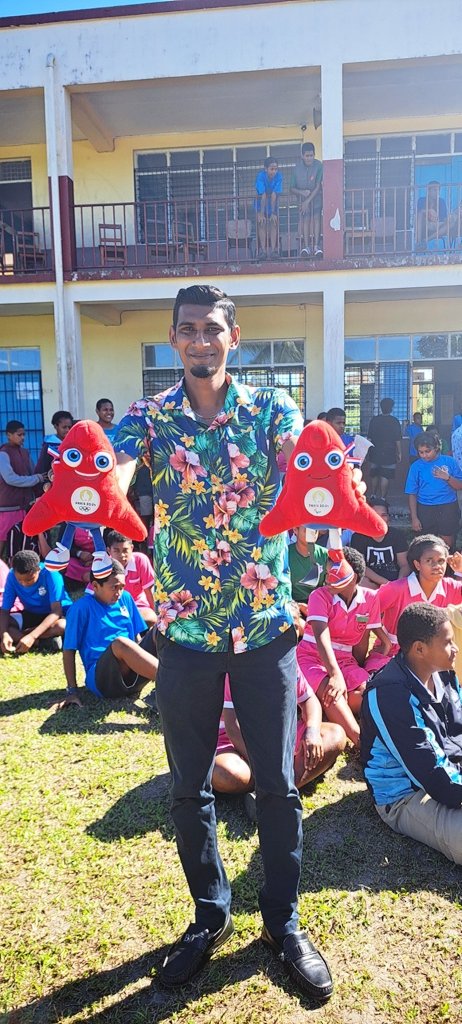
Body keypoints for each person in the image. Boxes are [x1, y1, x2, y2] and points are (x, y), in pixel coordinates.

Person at [113, 283, 334, 1001]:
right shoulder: (150, 417)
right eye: (187, 331)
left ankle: (282, 922)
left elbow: (305, 465)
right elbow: (112, 472)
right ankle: (210, 917)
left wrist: (332, 487)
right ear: (173, 341)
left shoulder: (271, 409)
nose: (200, 341)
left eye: (212, 329)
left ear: (233, 337)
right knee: (188, 786)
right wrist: (101, 490)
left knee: (278, 782)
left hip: (266, 625)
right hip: (185, 632)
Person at [361, 603, 462, 865]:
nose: (456, 649)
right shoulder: (390, 694)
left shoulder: (444, 674)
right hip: (405, 794)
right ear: (420, 649)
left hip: (448, 776)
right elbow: (433, 776)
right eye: (448, 642)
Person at [296, 546, 391, 746]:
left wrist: (358, 671)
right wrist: (335, 675)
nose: (329, 578)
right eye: (327, 571)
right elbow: (321, 635)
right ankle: (362, 742)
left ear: (354, 576)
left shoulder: (370, 598)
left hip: (345, 661)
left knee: (367, 692)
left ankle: (324, 706)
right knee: (332, 692)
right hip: (311, 657)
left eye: (335, 572)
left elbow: (363, 637)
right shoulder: (319, 596)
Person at [213, 670, 346, 806]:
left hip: (277, 734)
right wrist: (264, 765)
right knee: (226, 774)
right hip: (233, 742)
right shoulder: (235, 665)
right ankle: (280, 786)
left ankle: (276, 794)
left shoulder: (284, 658)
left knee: (335, 735)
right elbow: (233, 728)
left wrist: (312, 731)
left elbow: (308, 699)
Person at [61, 558, 158, 705]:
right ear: (95, 586)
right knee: (120, 643)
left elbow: (137, 637)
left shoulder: (126, 598)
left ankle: (167, 684)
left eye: (122, 587)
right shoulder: (80, 608)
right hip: (104, 681)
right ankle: (175, 683)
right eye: (114, 587)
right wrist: (72, 691)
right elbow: (69, 650)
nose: (119, 592)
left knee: (160, 630)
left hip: (133, 675)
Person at [364, 534, 462, 675]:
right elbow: (365, 611)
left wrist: (460, 570)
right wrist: (385, 641)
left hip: (435, 657)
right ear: (417, 564)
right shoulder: (396, 588)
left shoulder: (450, 587)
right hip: (393, 654)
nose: (437, 566)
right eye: (430, 561)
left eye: (441, 561)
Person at [0, 549, 70, 656]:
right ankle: (43, 643)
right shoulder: (11, 576)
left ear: (38, 569)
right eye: (20, 580)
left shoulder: (51, 573)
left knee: (62, 626)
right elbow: (5, 610)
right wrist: (4, 634)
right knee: (3, 624)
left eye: (29, 580)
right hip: (31, 614)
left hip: (56, 616)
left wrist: (32, 635)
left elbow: (56, 611)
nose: (24, 584)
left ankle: (26, 638)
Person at [405, 430, 462, 549]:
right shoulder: (416, 466)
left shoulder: (450, 461)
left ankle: (448, 567)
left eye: (427, 451)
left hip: (447, 506)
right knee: (427, 545)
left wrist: (447, 477)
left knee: (447, 544)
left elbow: (459, 486)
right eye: (421, 452)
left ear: (436, 448)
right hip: (425, 508)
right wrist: (414, 518)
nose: (424, 455)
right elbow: (412, 493)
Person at [0, 421, 48, 560]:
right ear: (9, 435)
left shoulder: (25, 452)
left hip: (24, 507)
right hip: (7, 508)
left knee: (21, 542)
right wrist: (36, 479)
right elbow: (11, 479)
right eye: (19, 434)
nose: (23, 438)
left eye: (24, 434)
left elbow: (32, 473)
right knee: (3, 543)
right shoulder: (3, 454)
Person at [350, 498, 408, 589]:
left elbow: (404, 564)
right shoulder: (358, 537)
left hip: (394, 579)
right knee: (359, 582)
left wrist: (398, 582)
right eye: (375, 515)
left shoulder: (397, 535)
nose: (380, 519)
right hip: (371, 580)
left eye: (384, 515)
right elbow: (361, 566)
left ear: (389, 517)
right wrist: (386, 584)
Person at [101, 529, 156, 625]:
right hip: (112, 608)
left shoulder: (141, 560)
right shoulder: (103, 565)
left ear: (132, 548)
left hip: (138, 606)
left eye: (125, 550)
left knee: (150, 617)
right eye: (116, 551)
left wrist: (156, 613)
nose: (122, 555)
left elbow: (149, 590)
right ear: (109, 550)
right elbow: (93, 593)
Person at [290, 142, 323, 257]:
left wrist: (307, 201)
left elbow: (318, 185)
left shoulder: (319, 165)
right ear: (302, 156)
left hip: (316, 198)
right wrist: (302, 193)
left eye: (311, 155)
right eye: (307, 156)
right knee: (305, 220)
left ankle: (316, 246)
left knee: (316, 219)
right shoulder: (296, 168)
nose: (309, 158)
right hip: (301, 199)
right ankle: (306, 247)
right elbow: (291, 188)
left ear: (314, 155)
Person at [367, 398, 402, 500]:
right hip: (389, 451)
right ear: (391, 408)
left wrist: (367, 451)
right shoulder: (394, 421)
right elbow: (397, 439)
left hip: (374, 450)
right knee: (385, 475)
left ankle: (373, 494)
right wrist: (399, 453)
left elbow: (369, 437)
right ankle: (382, 497)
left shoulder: (374, 420)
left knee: (374, 473)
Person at [288, 526, 328, 607]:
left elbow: (329, 587)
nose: (311, 534)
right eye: (307, 530)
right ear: (295, 530)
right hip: (292, 605)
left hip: (318, 604)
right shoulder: (285, 554)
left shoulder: (325, 554)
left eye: (315, 530)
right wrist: (297, 605)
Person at [254, 156, 283, 259]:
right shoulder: (260, 176)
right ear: (265, 169)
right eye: (271, 169)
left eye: (275, 169)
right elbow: (263, 194)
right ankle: (263, 251)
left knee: (273, 224)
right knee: (261, 224)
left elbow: (275, 194)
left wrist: (273, 213)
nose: (274, 171)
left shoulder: (279, 176)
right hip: (260, 204)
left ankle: (274, 250)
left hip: (273, 205)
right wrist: (261, 213)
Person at [34, 410, 73, 477]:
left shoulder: (73, 444)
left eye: (69, 427)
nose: (67, 430)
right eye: (64, 427)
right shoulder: (49, 446)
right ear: (55, 426)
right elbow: (42, 469)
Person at [416, 181, 448, 248]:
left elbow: (444, 219)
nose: (437, 192)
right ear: (428, 191)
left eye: (438, 190)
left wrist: (447, 219)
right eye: (435, 190)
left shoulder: (441, 202)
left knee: (450, 223)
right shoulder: (421, 200)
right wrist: (428, 211)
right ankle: (418, 243)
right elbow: (418, 213)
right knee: (420, 214)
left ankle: (425, 241)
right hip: (425, 225)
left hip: (438, 225)